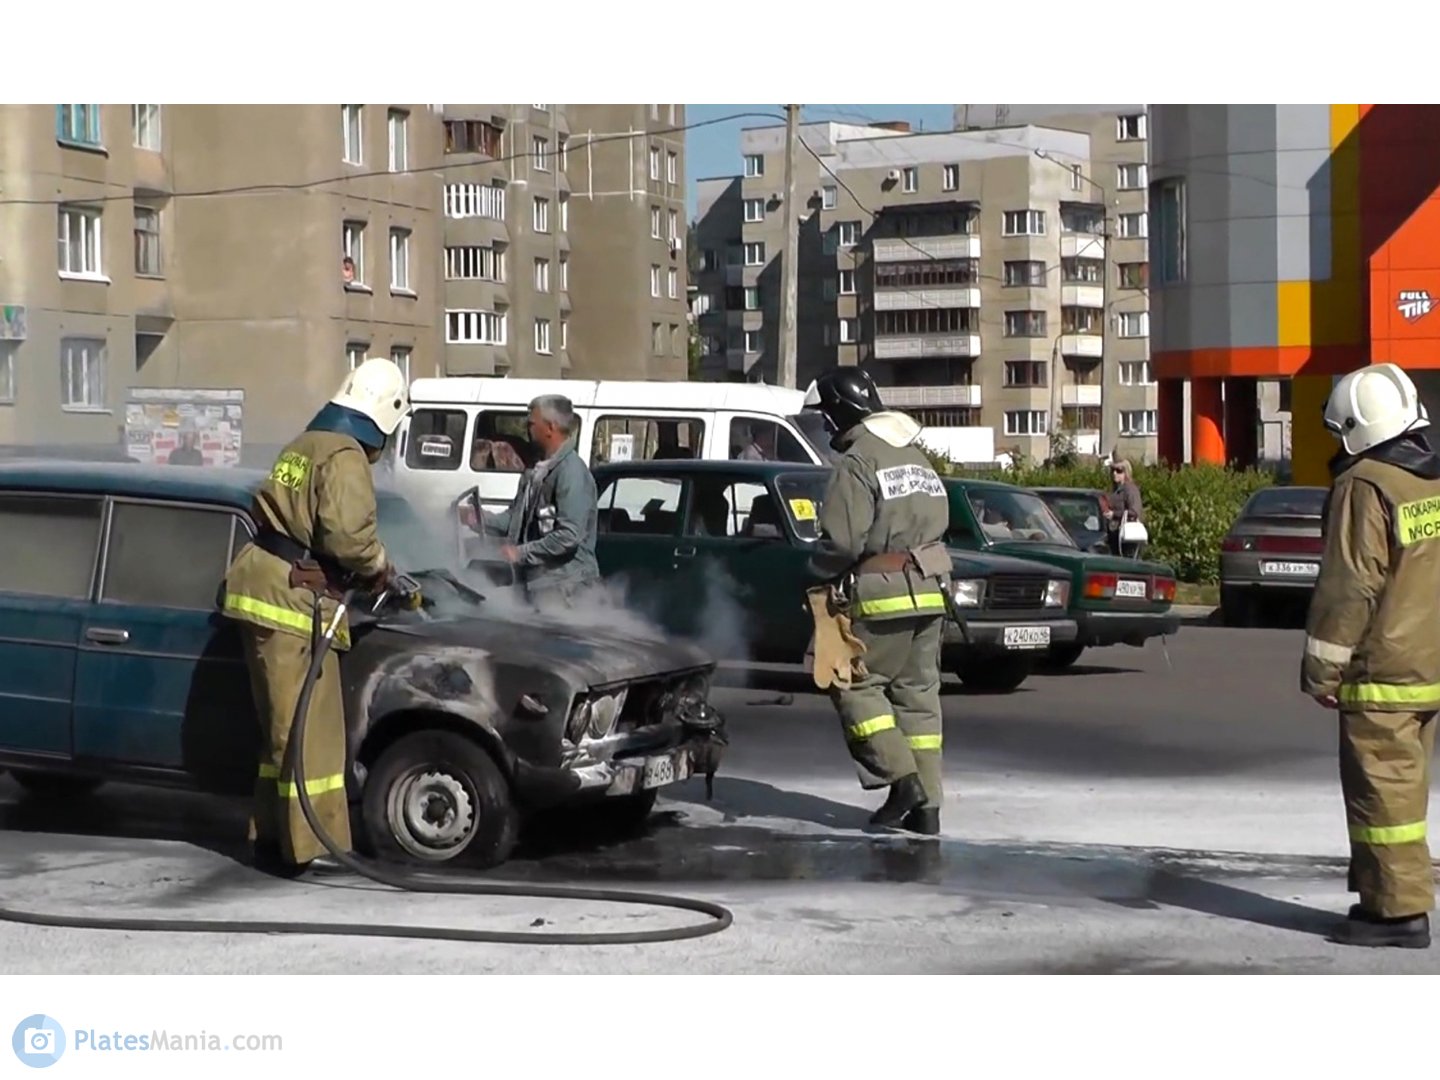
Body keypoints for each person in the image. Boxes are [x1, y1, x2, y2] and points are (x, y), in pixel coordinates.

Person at [221, 357, 409, 876]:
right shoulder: (345, 454)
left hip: (266, 590)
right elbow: (348, 537)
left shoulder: (304, 443)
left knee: (280, 729)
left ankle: (272, 835)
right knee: (309, 730)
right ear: (383, 419)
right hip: (291, 600)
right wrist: (380, 568)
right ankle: (305, 849)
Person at [1302, 362, 1440, 949]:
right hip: (1428, 664)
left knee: (1384, 796)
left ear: (1354, 427)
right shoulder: (1431, 482)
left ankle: (1398, 914)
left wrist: (1321, 668)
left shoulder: (1365, 485)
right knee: (1401, 793)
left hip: (1381, 669)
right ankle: (1379, 895)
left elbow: (1349, 587)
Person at [803, 366, 951, 835]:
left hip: (882, 593)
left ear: (841, 413)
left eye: (826, 417)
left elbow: (844, 543)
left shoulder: (858, 461)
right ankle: (928, 810)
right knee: (919, 700)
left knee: (852, 682)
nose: (826, 426)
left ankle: (900, 778)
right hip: (931, 590)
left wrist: (812, 574)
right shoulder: (914, 455)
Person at [469, 394, 600, 610]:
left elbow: (569, 536)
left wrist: (520, 553)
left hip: (566, 589)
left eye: (531, 423)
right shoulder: (537, 470)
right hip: (539, 584)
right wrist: (479, 518)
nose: (526, 429)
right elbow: (515, 519)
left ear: (550, 427)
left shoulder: (571, 473)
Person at [1103, 459, 1144, 555]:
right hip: (1115, 535)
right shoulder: (1115, 490)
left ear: (1126, 473)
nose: (1114, 473)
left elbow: (1134, 512)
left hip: (1128, 538)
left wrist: (1114, 514)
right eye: (1113, 470)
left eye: (1119, 471)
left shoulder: (1130, 489)